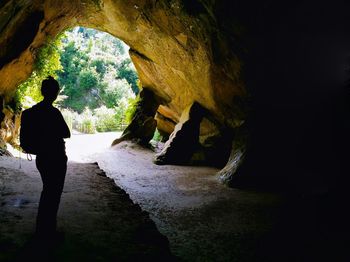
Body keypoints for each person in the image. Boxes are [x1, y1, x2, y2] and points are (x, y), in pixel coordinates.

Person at [30, 76, 70, 239]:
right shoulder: (53, 113)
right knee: (53, 194)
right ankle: (47, 232)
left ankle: (42, 229)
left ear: (42, 91)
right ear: (55, 93)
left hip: (42, 157)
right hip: (56, 157)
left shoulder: (33, 111)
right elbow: (66, 133)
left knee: (48, 190)